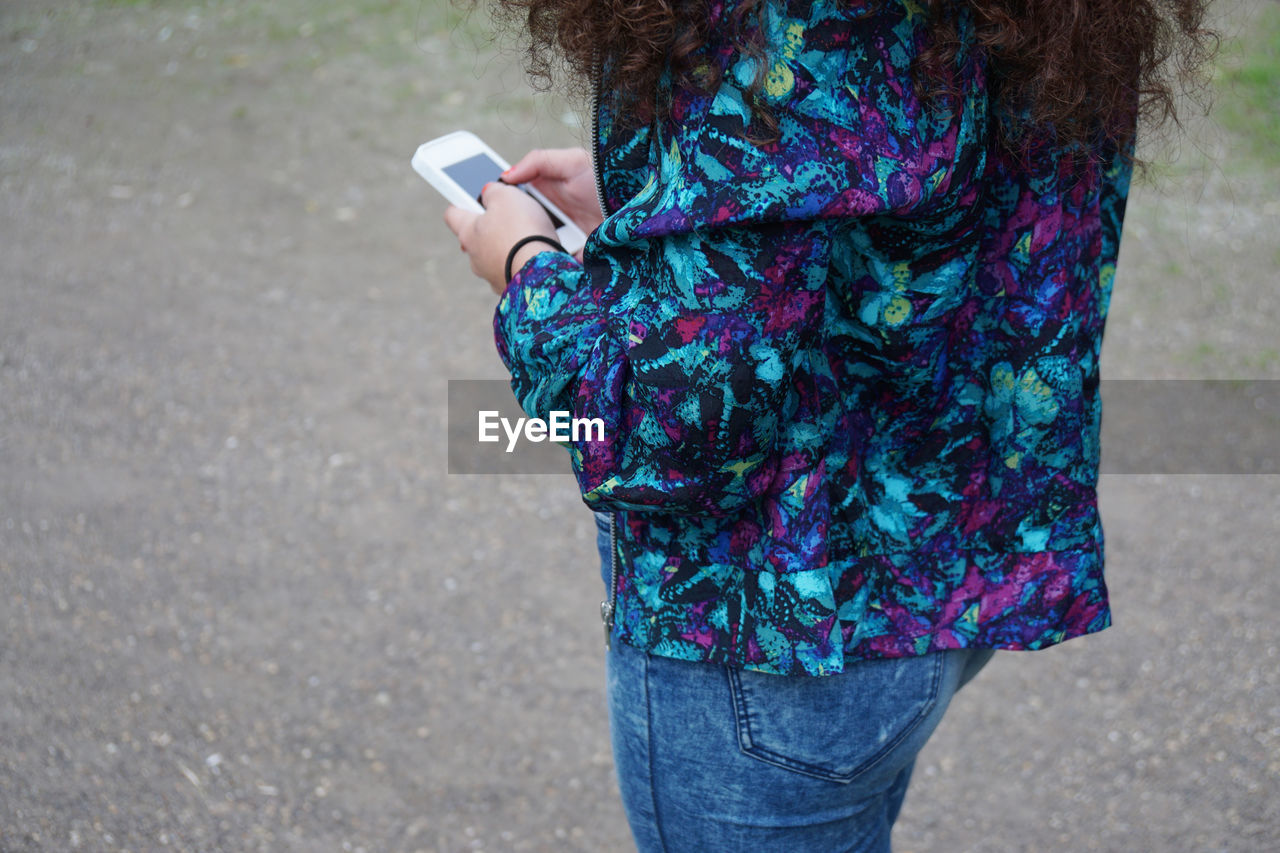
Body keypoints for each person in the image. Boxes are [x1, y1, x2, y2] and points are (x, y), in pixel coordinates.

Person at [443, 1, 1213, 848]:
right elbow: (904, 180)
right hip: (926, 572)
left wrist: (527, 268)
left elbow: (667, 438)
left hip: (772, 644)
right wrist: (678, 198)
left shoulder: (781, 18)